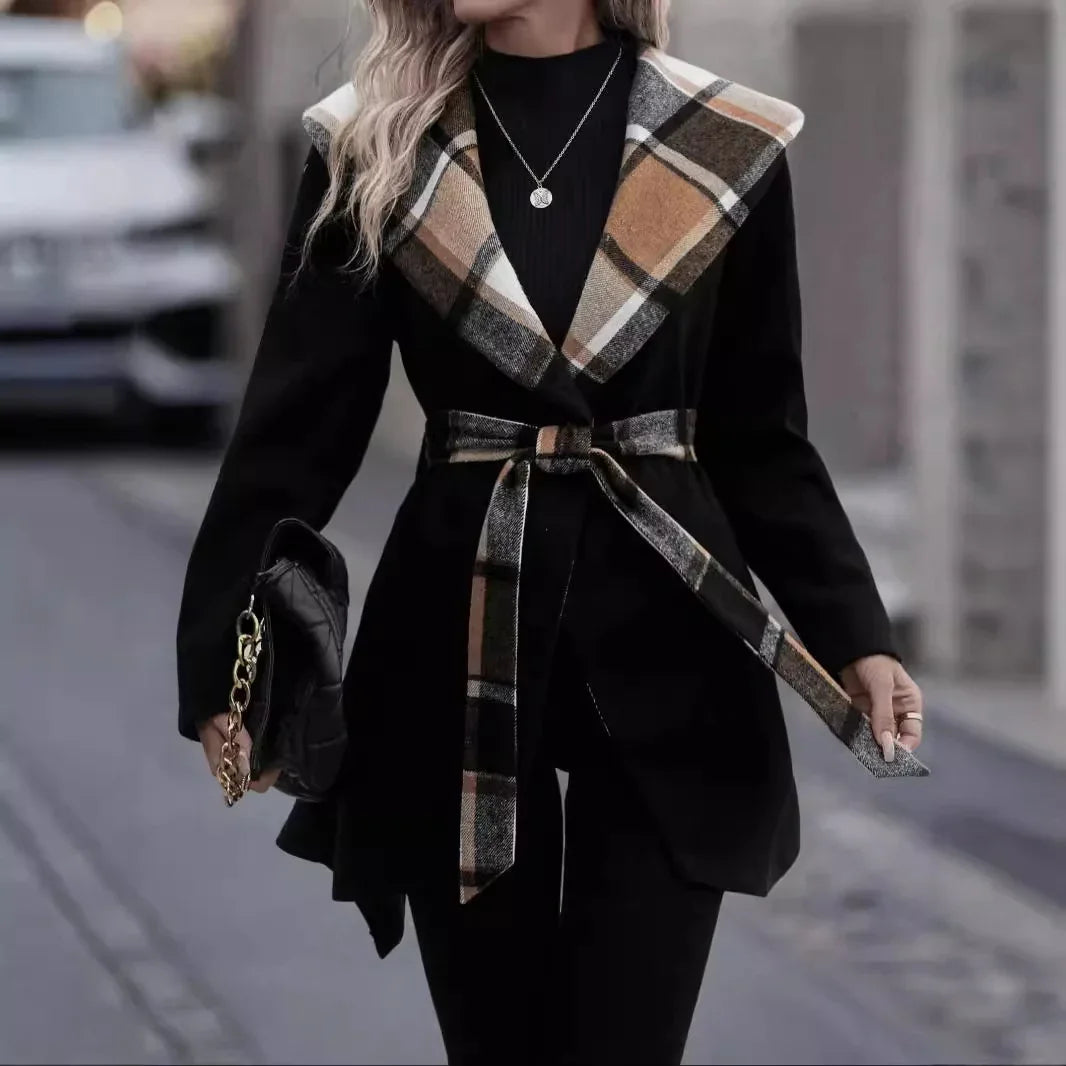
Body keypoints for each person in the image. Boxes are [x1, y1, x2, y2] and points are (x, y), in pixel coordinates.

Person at [175, 1, 926, 1062]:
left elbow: (760, 435)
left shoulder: (722, 139)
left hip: (676, 649)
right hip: (451, 647)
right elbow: (292, 435)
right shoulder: (376, 142)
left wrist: (856, 631)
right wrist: (222, 662)